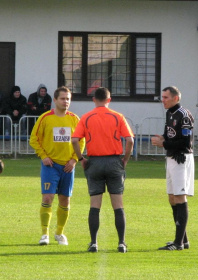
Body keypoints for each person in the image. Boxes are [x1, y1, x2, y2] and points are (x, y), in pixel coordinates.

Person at [71, 87, 134, 253]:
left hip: (95, 162)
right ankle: (121, 243)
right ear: (109, 99)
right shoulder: (117, 116)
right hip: (114, 162)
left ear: (93, 100)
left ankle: (93, 243)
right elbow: (130, 140)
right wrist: (125, 159)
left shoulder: (86, 117)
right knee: (118, 205)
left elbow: (75, 140)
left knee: (95, 205)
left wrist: (81, 159)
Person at [29, 86, 85, 246]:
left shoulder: (74, 119)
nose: (66, 101)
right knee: (47, 197)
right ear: (55, 100)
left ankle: (59, 233)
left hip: (68, 166)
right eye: (62, 98)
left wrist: (74, 160)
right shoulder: (45, 118)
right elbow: (34, 139)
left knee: (65, 200)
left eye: (68, 99)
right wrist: (44, 156)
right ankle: (44, 233)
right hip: (50, 165)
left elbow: (82, 140)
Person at [151, 86, 194, 251]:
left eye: (166, 97)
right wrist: (163, 139)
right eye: (162, 97)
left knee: (180, 197)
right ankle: (183, 240)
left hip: (181, 159)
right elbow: (169, 135)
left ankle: (178, 243)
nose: (163, 100)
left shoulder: (184, 115)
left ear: (176, 98)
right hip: (171, 158)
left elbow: (186, 142)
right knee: (171, 197)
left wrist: (164, 143)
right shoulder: (170, 113)